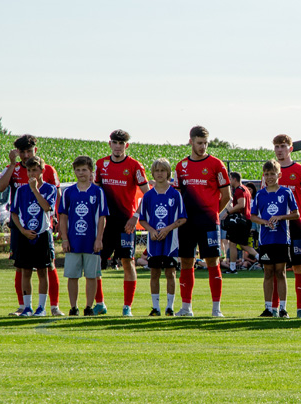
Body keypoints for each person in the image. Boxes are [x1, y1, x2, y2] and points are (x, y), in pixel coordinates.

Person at [0, 134, 63, 317]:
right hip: (21, 225)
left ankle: (53, 306)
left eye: (29, 151)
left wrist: (57, 218)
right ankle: (23, 306)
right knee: (22, 266)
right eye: (22, 152)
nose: (26, 155)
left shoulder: (47, 169)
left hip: (43, 225)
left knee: (48, 266)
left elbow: (56, 196)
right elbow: (0, 187)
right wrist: (12, 164)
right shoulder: (14, 169)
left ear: (36, 150)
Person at [174, 126, 232, 318]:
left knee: (213, 262)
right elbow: (177, 195)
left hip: (208, 222)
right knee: (186, 262)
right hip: (186, 223)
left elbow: (226, 195)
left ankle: (216, 309)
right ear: (191, 141)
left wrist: (213, 212)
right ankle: (186, 308)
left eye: (205, 143)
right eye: (199, 143)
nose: (203, 147)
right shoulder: (181, 166)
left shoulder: (217, 165)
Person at [93, 129, 150, 317]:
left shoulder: (135, 166)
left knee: (128, 262)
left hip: (126, 223)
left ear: (127, 145)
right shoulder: (101, 164)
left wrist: (135, 216)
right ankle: (100, 303)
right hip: (104, 223)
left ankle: (127, 307)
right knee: (96, 262)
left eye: (121, 143)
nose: (118, 146)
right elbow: (96, 192)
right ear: (110, 144)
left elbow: (148, 195)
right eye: (115, 143)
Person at [58, 156, 108, 316]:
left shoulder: (98, 192)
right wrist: (65, 239)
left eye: (84, 170)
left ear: (91, 171)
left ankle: (88, 307)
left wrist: (99, 239)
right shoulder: (68, 192)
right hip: (73, 242)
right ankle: (73, 307)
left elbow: (102, 217)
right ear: (74, 171)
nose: (81, 173)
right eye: (78, 170)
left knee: (92, 276)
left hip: (91, 242)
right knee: (72, 276)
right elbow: (63, 217)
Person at [273, 134, 301, 318]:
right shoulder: (270, 171)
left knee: (299, 267)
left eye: (283, 146)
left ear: (290, 148)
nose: (279, 150)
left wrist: (300, 219)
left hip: (296, 227)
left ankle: (300, 309)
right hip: (275, 229)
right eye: (276, 146)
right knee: (276, 268)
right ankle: (274, 309)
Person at [138, 158, 187, 317]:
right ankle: (156, 307)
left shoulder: (175, 194)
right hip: (153, 243)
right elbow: (142, 219)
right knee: (154, 273)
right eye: (157, 171)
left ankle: (169, 307)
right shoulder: (148, 196)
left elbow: (182, 218)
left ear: (168, 173)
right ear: (153, 173)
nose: (160, 174)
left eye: (163, 170)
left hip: (170, 242)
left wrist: (167, 229)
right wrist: (151, 230)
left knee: (170, 273)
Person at [10, 158, 58, 317]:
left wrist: (35, 189)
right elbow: (14, 213)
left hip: (42, 234)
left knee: (43, 272)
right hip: (25, 235)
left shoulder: (50, 189)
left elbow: (47, 207)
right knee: (26, 271)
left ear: (42, 171)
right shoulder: (21, 191)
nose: (31, 174)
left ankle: (41, 308)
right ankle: (27, 307)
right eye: (29, 171)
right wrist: (23, 231)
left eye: (35, 170)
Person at [250, 160, 299, 318]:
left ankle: (283, 309)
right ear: (263, 176)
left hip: (281, 239)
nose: (269, 177)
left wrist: (280, 217)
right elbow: (252, 216)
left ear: (279, 175)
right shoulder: (260, 194)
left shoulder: (286, 192)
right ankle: (268, 309)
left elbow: (296, 214)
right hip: (266, 240)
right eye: (267, 174)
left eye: (272, 174)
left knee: (281, 272)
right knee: (268, 273)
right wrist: (265, 222)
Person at [221, 171, 258, 273]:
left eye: (230, 179)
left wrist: (228, 212)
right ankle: (261, 258)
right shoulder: (245, 189)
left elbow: (241, 204)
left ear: (234, 179)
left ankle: (232, 268)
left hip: (239, 220)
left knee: (232, 243)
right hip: (246, 220)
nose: (229, 181)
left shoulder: (239, 190)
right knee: (242, 244)